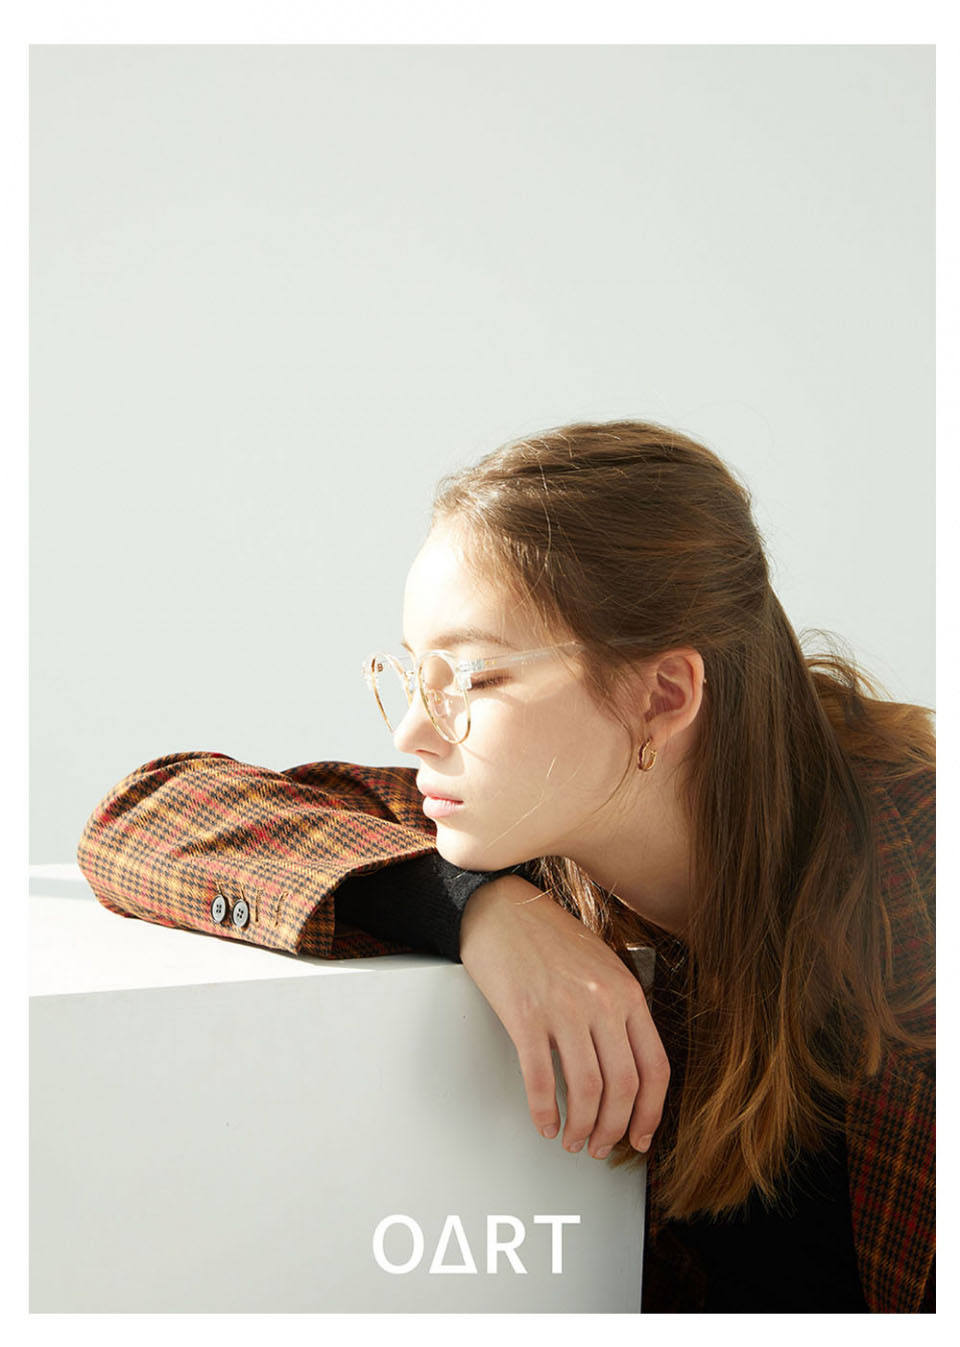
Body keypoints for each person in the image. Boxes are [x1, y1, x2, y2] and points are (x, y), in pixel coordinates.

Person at [77, 418, 935, 1313]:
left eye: (475, 679)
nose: (414, 731)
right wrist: (476, 908)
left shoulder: (921, 870)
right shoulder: (524, 841)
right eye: (415, 674)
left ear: (663, 694)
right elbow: (148, 813)